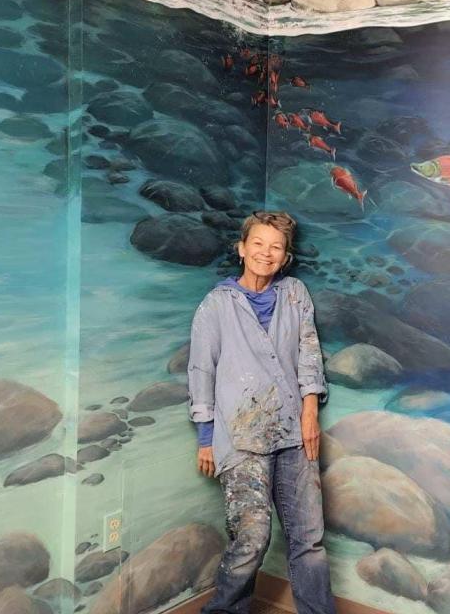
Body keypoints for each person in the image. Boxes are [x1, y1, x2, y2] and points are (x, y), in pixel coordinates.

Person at [187, 211, 335, 614]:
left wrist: (310, 413)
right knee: (251, 539)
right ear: (241, 249)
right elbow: (201, 370)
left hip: (295, 432)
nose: (266, 253)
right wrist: (206, 438)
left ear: (285, 257)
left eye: (276, 247)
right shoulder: (217, 304)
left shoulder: (295, 293)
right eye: (258, 244)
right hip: (240, 435)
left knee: (309, 539)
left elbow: (309, 353)